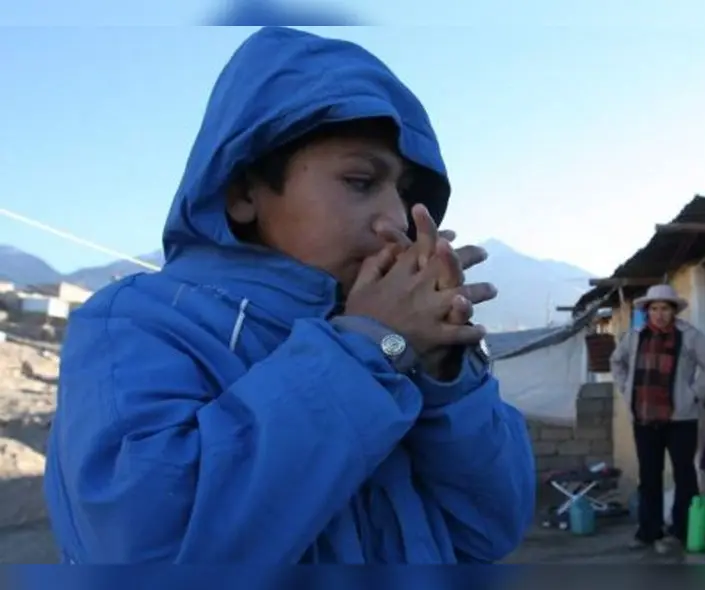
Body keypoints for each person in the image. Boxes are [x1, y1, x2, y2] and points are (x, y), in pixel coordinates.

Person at [42, 26, 535, 564]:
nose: (395, 219)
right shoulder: (136, 323)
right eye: (360, 181)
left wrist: (443, 375)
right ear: (242, 193)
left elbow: (490, 531)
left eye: (406, 193)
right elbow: (150, 547)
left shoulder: (401, 344)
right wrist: (371, 349)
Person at [610, 284, 705, 555]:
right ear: (647, 311)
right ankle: (648, 532)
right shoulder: (635, 336)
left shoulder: (690, 336)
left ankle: (679, 533)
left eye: (665, 308)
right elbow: (617, 362)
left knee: (684, 475)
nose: (659, 314)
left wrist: (693, 394)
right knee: (649, 476)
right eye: (654, 309)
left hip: (680, 418)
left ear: (673, 311)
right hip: (644, 416)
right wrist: (626, 388)